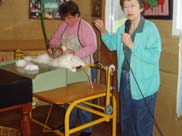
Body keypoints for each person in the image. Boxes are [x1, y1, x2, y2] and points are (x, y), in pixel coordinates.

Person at [94, 0, 161, 136]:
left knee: (142, 125)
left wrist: (132, 45)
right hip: (124, 79)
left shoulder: (150, 29)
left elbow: (153, 57)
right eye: (125, 7)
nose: (128, 10)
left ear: (141, 8)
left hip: (144, 85)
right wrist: (103, 31)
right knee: (126, 121)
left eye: (132, 6)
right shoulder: (123, 27)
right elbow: (112, 44)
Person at [48, 1, 97, 136]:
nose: (67, 21)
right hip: (69, 69)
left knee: (83, 102)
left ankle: (87, 130)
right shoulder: (64, 26)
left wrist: (75, 53)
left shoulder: (85, 27)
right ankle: (69, 125)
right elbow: (55, 40)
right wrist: (51, 46)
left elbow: (92, 47)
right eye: (65, 18)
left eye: (70, 18)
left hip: (84, 69)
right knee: (68, 99)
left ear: (77, 15)